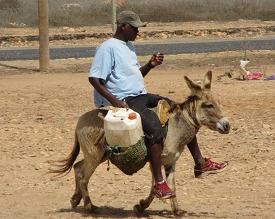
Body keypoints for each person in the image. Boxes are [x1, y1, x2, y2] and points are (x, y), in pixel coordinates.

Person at [88, 11, 228, 200]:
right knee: (154, 127)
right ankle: (159, 183)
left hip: (140, 94)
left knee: (182, 112)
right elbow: (95, 79)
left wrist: (150, 65)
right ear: (123, 26)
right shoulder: (107, 48)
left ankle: (200, 163)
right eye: (135, 27)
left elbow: (132, 76)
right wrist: (115, 102)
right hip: (125, 98)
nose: (138, 31)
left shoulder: (128, 46)